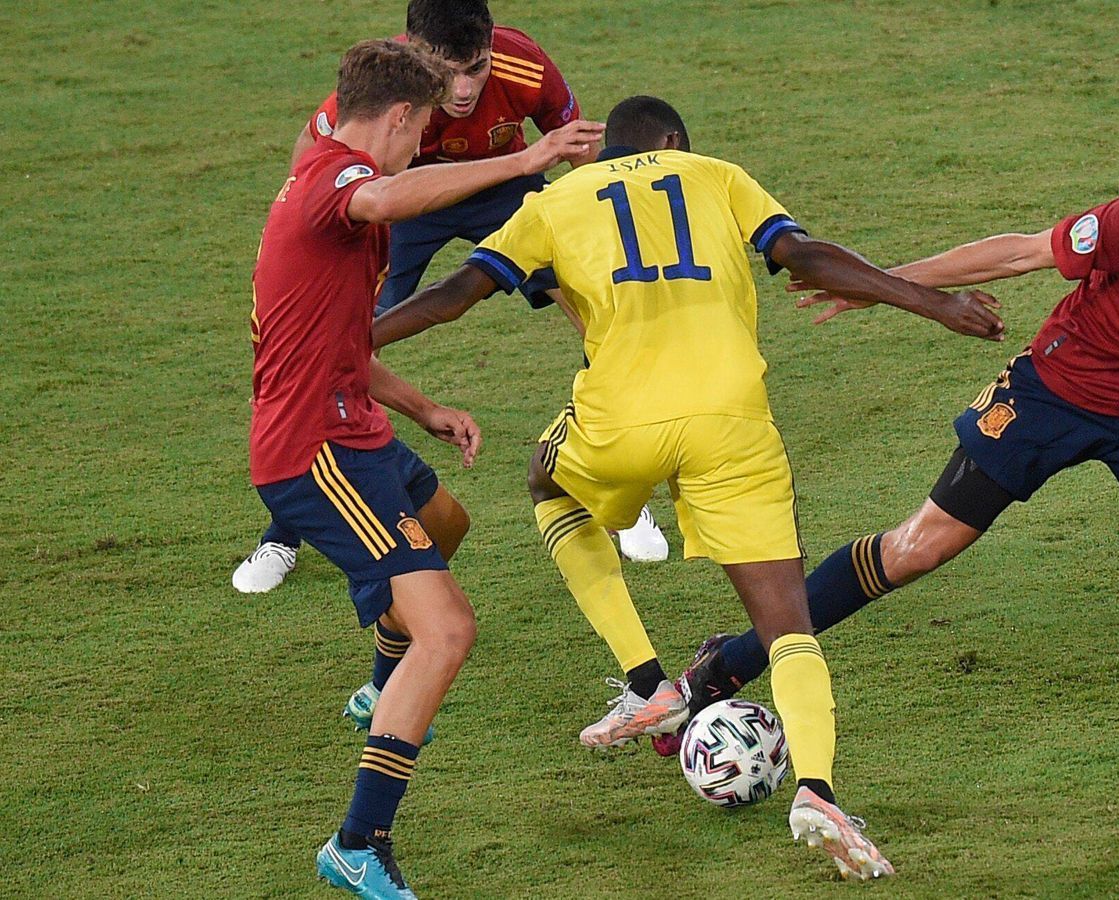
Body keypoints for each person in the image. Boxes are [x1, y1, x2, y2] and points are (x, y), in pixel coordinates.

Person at [371, 95, 1004, 879]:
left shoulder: (559, 199)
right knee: (787, 627)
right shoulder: (716, 175)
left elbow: (452, 296)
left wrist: (348, 340)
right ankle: (818, 791)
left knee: (546, 480)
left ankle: (646, 682)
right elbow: (805, 258)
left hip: (620, 422)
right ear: (674, 142)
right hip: (732, 419)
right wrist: (935, 303)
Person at [675, 112, 1119, 819]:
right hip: (1059, 390)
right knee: (917, 549)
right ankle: (729, 662)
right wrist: (881, 285)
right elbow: (1019, 253)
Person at [247, 39, 600, 898]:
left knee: (447, 525)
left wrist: (423, 408)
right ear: (398, 118)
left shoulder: (319, 167)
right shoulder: (342, 185)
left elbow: (335, 343)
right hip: (313, 453)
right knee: (447, 631)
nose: (425, 147)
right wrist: (528, 157)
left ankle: (380, 690)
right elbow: (383, 192)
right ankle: (357, 844)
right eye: (422, 132)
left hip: (353, 424)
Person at [233, 0, 665, 598]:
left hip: (504, 189)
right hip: (402, 196)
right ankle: (291, 524)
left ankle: (624, 487)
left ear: (492, 45)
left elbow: (579, 150)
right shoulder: (386, 88)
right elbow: (315, 166)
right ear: (414, 52)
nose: (462, 92)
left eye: (477, 68)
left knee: (599, 313)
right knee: (343, 341)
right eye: (447, 72)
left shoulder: (527, 68)